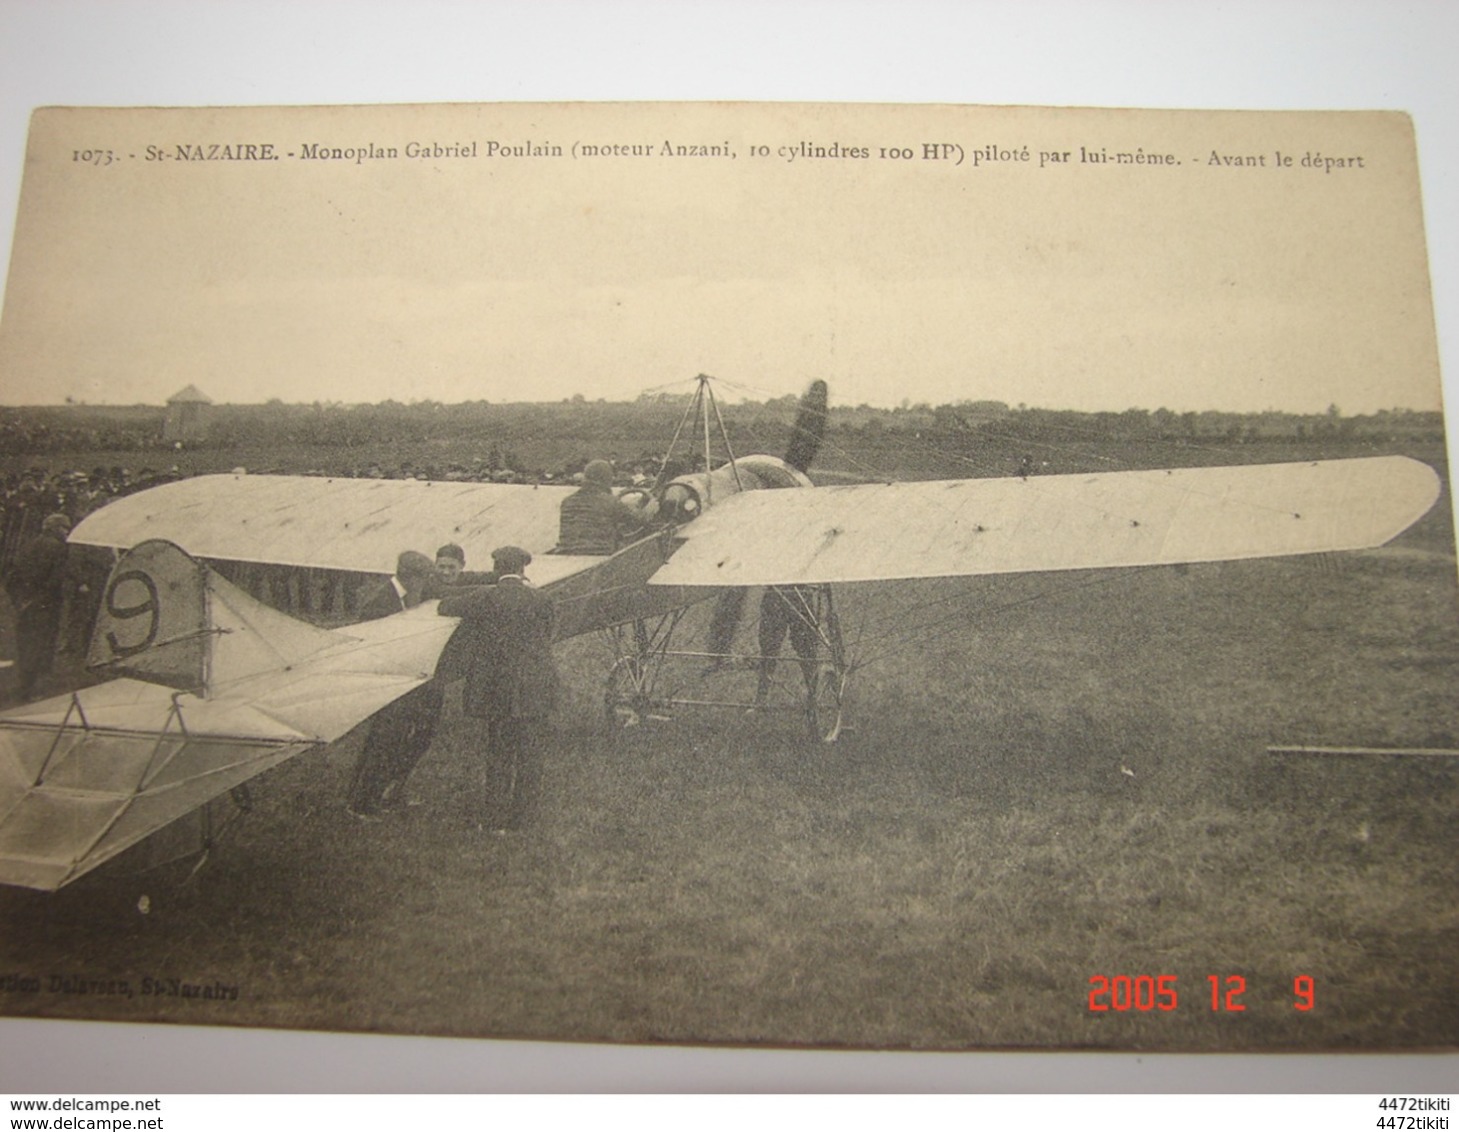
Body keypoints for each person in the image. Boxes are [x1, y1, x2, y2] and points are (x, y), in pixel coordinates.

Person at [438, 545, 558, 831]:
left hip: (498, 688)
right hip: (535, 687)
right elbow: (549, 632)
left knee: (500, 754)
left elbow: (444, 607)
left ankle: (493, 819)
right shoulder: (542, 599)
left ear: (496, 570)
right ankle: (523, 819)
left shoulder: (485, 597)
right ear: (521, 570)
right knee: (530, 755)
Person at [346, 551, 442, 818]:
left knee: (402, 740)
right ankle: (362, 802)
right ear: (411, 578)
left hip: (408, 683)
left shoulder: (407, 596)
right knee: (383, 743)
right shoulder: (379, 603)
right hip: (387, 685)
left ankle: (380, 793)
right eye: (422, 580)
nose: (424, 587)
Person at [5, 513, 71, 701]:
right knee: (41, 645)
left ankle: (24, 684)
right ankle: (32, 689)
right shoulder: (59, 549)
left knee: (26, 644)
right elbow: (55, 580)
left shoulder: (31, 544)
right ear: (57, 529)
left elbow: (13, 574)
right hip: (46, 604)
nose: (67, 533)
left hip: (27, 602)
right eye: (65, 528)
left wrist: (20, 599)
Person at [555, 459, 652, 555]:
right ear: (606, 479)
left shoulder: (567, 501)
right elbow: (639, 520)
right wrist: (651, 508)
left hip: (566, 551)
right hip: (600, 552)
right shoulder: (611, 502)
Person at [754, 585, 820, 707]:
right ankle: (761, 699)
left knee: (806, 646)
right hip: (775, 592)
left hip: (800, 593)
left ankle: (813, 696)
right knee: (768, 647)